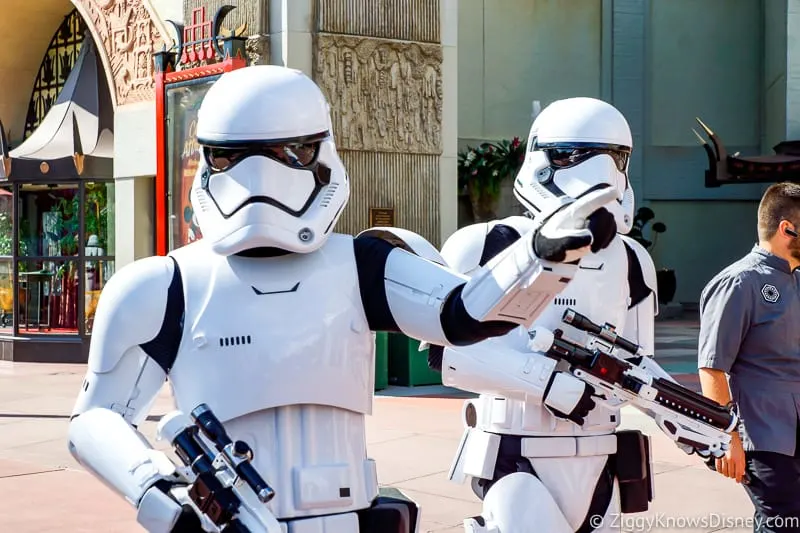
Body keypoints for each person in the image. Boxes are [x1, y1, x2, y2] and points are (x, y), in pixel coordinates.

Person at [65, 66, 618, 533]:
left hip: (351, 515)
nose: (261, 177)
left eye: (287, 153)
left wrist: (540, 259)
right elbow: (96, 421)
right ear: (210, 159)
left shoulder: (362, 264)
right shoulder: (164, 285)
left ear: (319, 152)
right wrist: (164, 496)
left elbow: (464, 315)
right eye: (233, 158)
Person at [435, 97, 691, 533]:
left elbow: (637, 362)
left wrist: (689, 418)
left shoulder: (630, 259)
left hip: (600, 453)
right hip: (517, 450)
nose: (604, 174)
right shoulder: (485, 244)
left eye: (617, 157)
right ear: (544, 160)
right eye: (579, 155)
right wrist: (549, 385)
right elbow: (448, 357)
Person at [698, 181, 800, 533]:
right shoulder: (740, 283)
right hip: (764, 436)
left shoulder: (795, 280)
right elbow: (712, 368)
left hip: (795, 432)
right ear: (788, 228)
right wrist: (727, 438)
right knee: (781, 524)